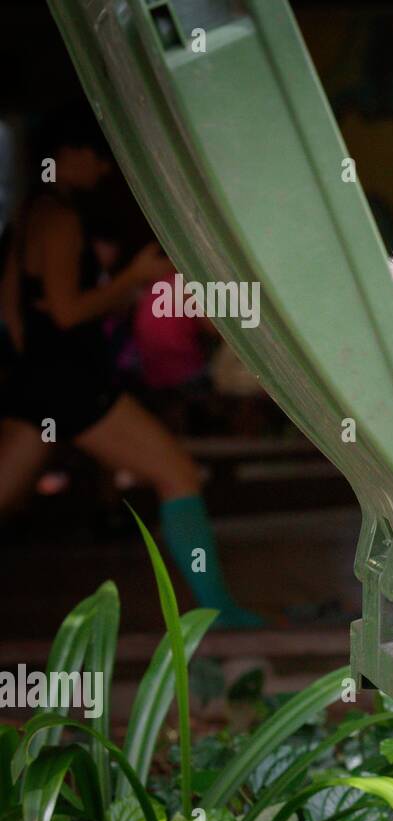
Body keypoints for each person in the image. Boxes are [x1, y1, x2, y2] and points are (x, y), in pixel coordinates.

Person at [0, 108, 263, 629]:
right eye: (97, 157)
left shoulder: (32, 212)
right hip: (72, 384)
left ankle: (221, 611)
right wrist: (133, 278)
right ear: (69, 155)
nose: (103, 169)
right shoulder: (61, 218)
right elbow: (68, 309)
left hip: (41, 381)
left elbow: (13, 314)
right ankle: (221, 614)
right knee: (179, 474)